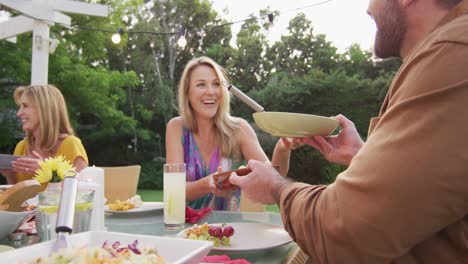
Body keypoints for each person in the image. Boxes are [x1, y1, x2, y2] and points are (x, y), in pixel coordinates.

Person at [230, 0, 468, 263]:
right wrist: (364, 155)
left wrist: (275, 187)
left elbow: (342, 227)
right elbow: (427, 190)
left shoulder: (454, 54)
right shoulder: (444, 53)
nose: (368, 9)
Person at [165, 56, 299, 211]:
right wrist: (208, 184)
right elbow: (173, 190)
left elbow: (272, 178)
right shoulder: (176, 127)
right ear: (187, 93)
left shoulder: (239, 129)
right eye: (201, 85)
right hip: (185, 228)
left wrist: (282, 148)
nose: (211, 92)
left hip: (228, 230)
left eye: (216, 84)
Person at [0, 84, 88, 185]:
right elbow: (17, 194)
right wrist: (10, 175)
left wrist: (46, 170)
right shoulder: (21, 147)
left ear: (44, 108)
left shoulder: (71, 144)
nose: (19, 113)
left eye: (25, 106)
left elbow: (83, 190)